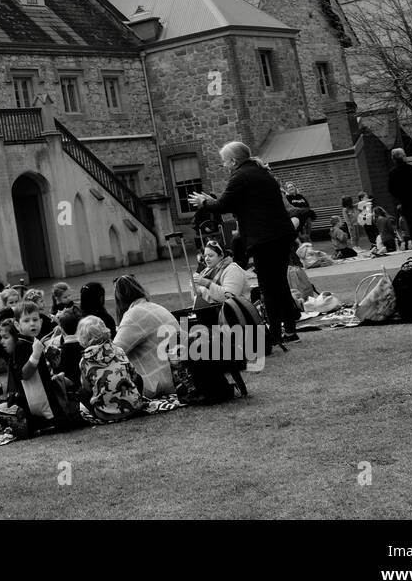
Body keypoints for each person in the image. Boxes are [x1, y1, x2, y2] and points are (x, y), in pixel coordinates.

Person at [188, 141, 301, 345]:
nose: (224, 165)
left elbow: (222, 205)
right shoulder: (261, 172)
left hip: (264, 238)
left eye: (225, 161)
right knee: (280, 282)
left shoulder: (240, 176)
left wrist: (204, 202)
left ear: (233, 161)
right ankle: (290, 331)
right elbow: (237, 202)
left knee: (268, 286)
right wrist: (211, 201)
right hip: (282, 235)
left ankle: (275, 333)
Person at [0, 317, 73, 434]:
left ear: (16, 337)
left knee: (1, 412)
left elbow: (25, 375)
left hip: (37, 407)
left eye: (5, 338)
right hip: (31, 404)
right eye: (1, 338)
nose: (2, 342)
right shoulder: (14, 353)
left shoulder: (24, 348)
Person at [111, 273, 182, 398]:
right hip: (178, 378)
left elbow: (114, 352)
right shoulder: (156, 307)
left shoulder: (134, 315)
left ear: (119, 299)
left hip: (157, 383)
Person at [77, 315, 145, 421]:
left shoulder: (85, 361)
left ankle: (101, 410)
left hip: (104, 415)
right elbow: (134, 375)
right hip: (134, 409)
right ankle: (135, 400)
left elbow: (87, 388)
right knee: (139, 378)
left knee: (81, 392)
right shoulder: (119, 350)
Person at [190, 239, 248, 307]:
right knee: (185, 313)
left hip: (235, 311)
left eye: (210, 255)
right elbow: (197, 299)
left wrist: (207, 284)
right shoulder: (207, 271)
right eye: (205, 256)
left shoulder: (232, 269)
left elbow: (229, 297)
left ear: (221, 256)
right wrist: (195, 290)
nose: (206, 259)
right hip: (214, 310)